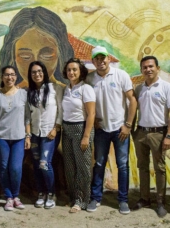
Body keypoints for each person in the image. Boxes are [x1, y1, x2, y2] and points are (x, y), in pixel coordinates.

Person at [0, 7, 74, 87]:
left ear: (60, 53)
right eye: (25, 56)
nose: (36, 64)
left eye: (46, 54)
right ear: (12, 56)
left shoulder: (65, 92)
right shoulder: (10, 92)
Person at [85, 46, 137, 214]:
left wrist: (128, 125)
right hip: (101, 130)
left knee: (122, 165)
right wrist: (92, 122)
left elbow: (132, 100)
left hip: (120, 129)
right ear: (93, 61)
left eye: (103, 58)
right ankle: (96, 198)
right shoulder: (90, 79)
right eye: (97, 59)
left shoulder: (120, 75)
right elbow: (84, 102)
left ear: (108, 59)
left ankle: (123, 200)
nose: (101, 61)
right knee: (99, 164)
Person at [132, 56, 170, 218]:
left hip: (158, 133)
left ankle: (160, 201)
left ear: (157, 68)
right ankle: (145, 198)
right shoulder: (139, 89)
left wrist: (168, 135)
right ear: (141, 70)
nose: (148, 69)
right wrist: (132, 130)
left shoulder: (166, 87)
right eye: (144, 67)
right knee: (143, 166)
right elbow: (133, 109)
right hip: (140, 132)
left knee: (159, 168)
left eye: (150, 66)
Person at [0, 65, 30, 211]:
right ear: (2, 77)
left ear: (16, 76)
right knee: (3, 167)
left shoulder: (23, 94)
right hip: (0, 136)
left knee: (15, 168)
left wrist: (28, 136)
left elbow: (27, 117)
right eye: (6, 75)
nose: (9, 77)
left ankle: (16, 196)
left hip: (19, 137)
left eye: (12, 74)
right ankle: (8, 197)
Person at [26, 61, 63, 209]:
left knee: (44, 163)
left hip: (50, 133)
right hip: (35, 133)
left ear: (44, 72)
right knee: (36, 165)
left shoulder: (55, 88)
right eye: (34, 72)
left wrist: (56, 128)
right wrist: (28, 135)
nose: (37, 74)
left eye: (39, 71)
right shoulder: (28, 92)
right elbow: (27, 115)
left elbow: (61, 110)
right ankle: (41, 192)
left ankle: (51, 193)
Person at [62, 58, 95, 213]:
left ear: (81, 71)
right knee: (69, 166)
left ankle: (82, 200)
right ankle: (73, 197)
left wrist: (86, 136)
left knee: (83, 167)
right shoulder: (66, 89)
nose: (71, 72)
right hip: (66, 129)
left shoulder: (86, 89)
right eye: (69, 70)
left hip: (81, 129)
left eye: (74, 69)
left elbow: (91, 114)